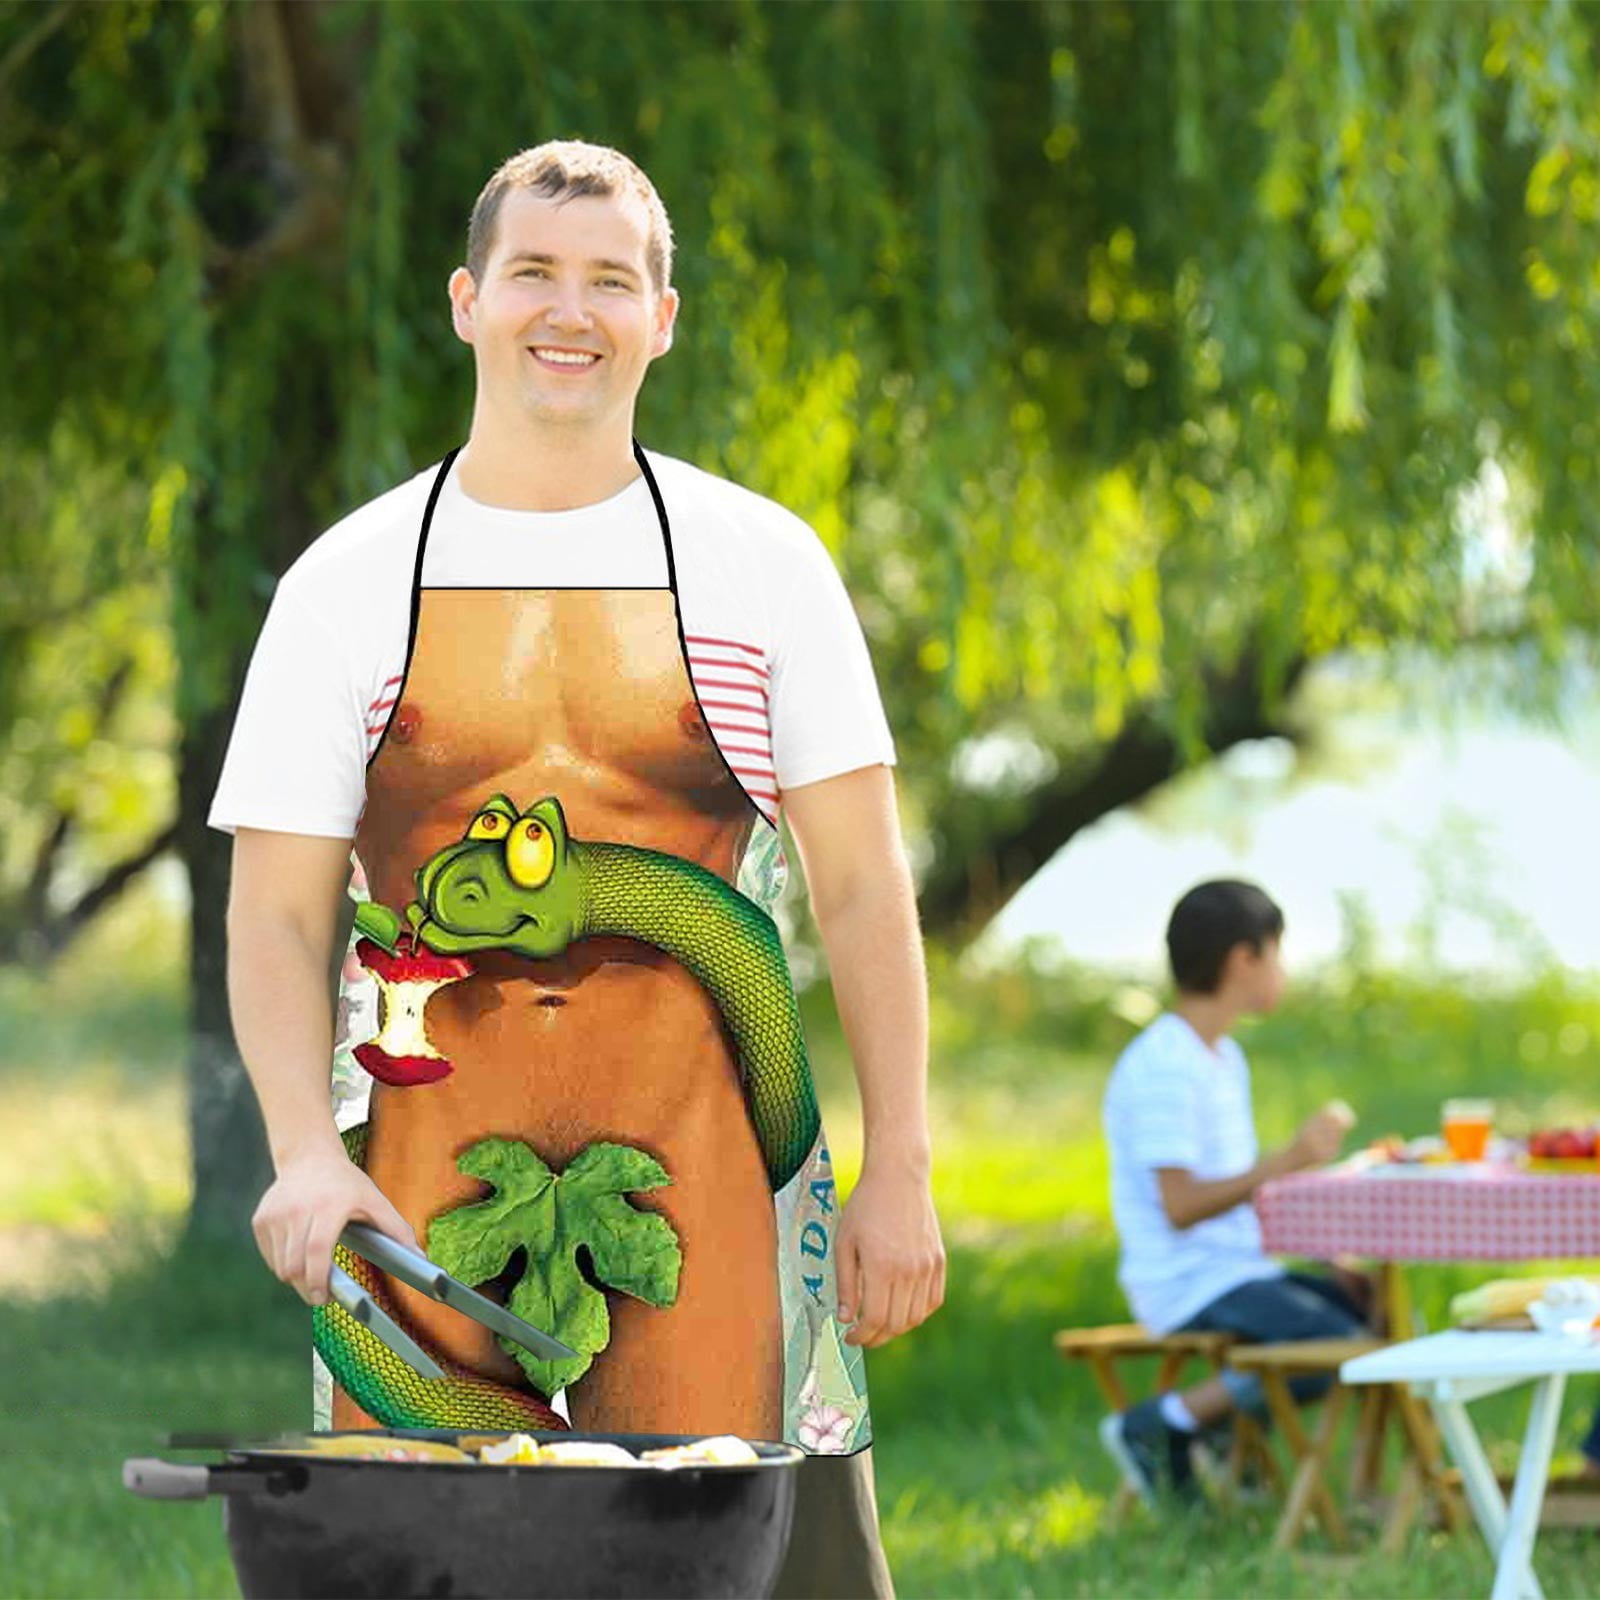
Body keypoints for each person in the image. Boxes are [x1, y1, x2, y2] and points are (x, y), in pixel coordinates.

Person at [208, 139, 945, 1598]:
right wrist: (302, 1154)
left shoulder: (765, 564)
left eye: (613, 279)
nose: (572, 309)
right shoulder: (346, 584)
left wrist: (899, 1171)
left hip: (721, 1168)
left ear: (663, 319)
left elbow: (863, 891)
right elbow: (280, 916)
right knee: (433, 1565)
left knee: (722, 1557)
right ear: (469, 300)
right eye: (537, 273)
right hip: (414, 1187)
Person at [1098, 879, 1367, 1504]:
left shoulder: (1223, 1059)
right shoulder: (1165, 1065)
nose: (1282, 970)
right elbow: (1183, 1205)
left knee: (1371, 1313)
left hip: (1236, 1268)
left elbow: (1241, 1197)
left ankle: (1225, 1437)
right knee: (1339, 1345)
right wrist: (1287, 1160)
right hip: (1186, 1278)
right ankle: (1167, 1425)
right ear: (1243, 959)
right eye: (1276, 952)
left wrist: (1328, 1258)